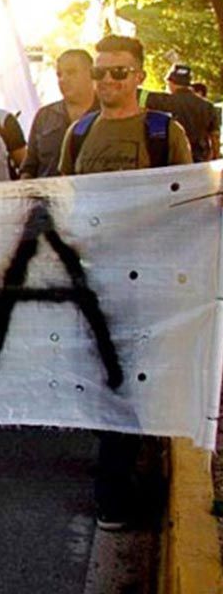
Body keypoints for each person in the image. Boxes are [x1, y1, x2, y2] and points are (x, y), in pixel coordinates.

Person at [58, 35, 192, 531]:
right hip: (95, 280)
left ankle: (112, 492)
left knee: (131, 380)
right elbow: (64, 196)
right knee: (102, 378)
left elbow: (187, 197)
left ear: (140, 75)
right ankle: (114, 472)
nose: (107, 81)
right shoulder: (80, 131)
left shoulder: (162, 131)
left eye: (118, 72)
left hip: (147, 279)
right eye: (100, 73)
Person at [20, 49, 99, 179]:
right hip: (50, 196)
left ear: (91, 73)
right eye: (59, 74)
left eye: (71, 72)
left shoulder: (107, 113)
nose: (63, 80)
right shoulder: (44, 116)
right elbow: (29, 166)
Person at [141, 63, 219, 162]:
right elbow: (215, 139)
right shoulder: (207, 107)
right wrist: (213, 160)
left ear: (170, 82)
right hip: (199, 162)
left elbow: (136, 95)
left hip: (170, 163)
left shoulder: (160, 101)